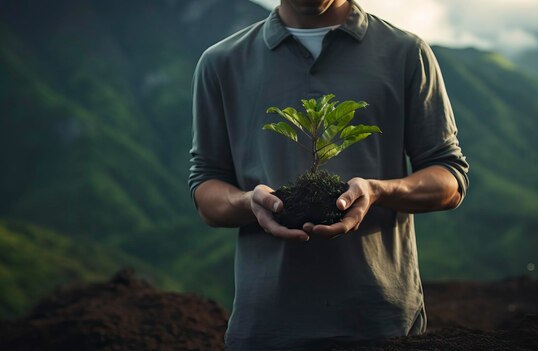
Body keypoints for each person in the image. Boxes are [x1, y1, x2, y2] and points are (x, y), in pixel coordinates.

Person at [189, 0, 469, 349]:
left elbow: (450, 178)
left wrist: (378, 190)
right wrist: (249, 202)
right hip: (266, 327)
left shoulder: (406, 52)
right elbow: (206, 188)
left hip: (381, 323)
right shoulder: (222, 62)